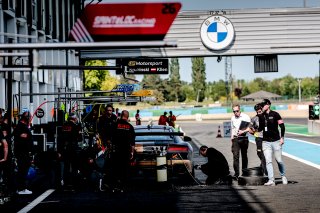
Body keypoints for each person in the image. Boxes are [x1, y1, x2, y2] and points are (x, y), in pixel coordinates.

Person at [260, 99, 287, 186]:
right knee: (268, 161)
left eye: (264, 104)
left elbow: (282, 127)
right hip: (266, 142)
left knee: (279, 160)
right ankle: (271, 180)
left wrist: (282, 138)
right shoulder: (261, 116)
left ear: (268, 105)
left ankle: (283, 176)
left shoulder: (275, 114)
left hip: (276, 141)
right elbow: (260, 128)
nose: (262, 106)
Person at [109, 110, 135, 192]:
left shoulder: (114, 125)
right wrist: (132, 152)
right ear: (127, 117)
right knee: (125, 169)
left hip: (116, 150)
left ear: (121, 116)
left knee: (115, 168)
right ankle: (123, 187)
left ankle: (114, 186)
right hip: (126, 151)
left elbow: (109, 139)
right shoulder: (130, 127)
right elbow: (132, 143)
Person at [239, 103, 267, 176]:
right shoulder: (254, 118)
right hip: (258, 138)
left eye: (259, 110)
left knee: (267, 154)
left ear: (262, 109)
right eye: (257, 110)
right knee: (259, 153)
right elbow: (249, 129)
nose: (258, 111)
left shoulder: (266, 116)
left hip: (267, 138)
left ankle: (265, 169)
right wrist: (246, 131)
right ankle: (265, 169)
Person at [58, 113, 81, 188]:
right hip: (73, 147)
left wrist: (60, 151)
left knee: (66, 166)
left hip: (65, 148)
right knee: (75, 165)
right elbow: (79, 138)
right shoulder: (76, 126)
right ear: (75, 119)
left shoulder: (64, 126)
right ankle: (74, 182)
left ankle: (66, 182)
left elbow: (60, 138)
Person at [13, 113, 34, 195]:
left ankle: (22, 188)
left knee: (24, 169)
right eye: (29, 118)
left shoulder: (23, 127)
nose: (30, 120)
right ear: (26, 118)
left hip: (24, 152)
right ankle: (21, 188)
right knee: (22, 170)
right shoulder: (20, 127)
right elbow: (22, 138)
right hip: (22, 152)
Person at [230, 104, 251, 180]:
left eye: (237, 111)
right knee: (235, 156)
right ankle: (236, 174)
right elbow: (232, 128)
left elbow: (250, 128)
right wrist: (232, 137)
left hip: (244, 138)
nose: (235, 112)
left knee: (244, 156)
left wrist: (243, 131)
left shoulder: (246, 117)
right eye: (234, 111)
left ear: (240, 110)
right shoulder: (232, 118)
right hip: (235, 139)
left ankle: (244, 172)